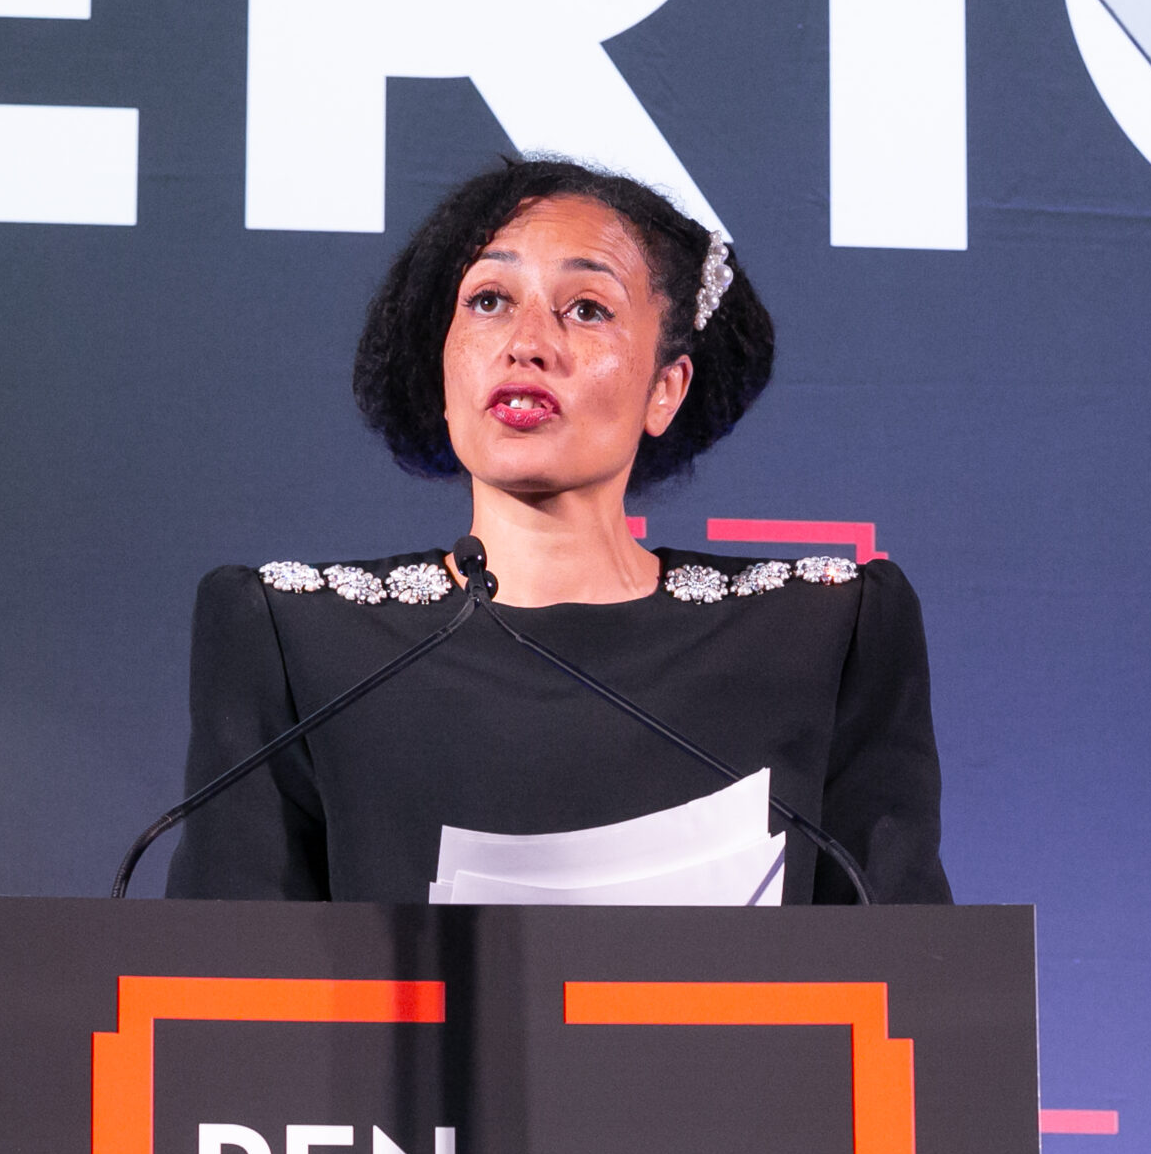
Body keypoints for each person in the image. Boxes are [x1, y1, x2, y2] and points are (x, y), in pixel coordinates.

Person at [166, 158, 950, 905]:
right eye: (488, 301)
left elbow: (913, 992)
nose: (528, 342)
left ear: (665, 389)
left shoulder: (819, 632)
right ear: (443, 368)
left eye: (586, 309)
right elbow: (217, 994)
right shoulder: (297, 639)